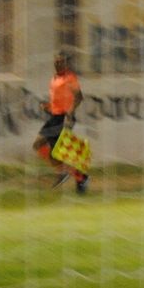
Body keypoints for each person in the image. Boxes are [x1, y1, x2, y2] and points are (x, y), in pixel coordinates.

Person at [32, 51, 89, 194]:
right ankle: (79, 176)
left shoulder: (70, 78)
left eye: (61, 62)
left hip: (64, 118)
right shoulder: (54, 79)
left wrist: (70, 112)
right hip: (54, 117)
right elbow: (57, 101)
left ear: (66, 63)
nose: (58, 64)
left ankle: (69, 173)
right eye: (56, 62)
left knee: (47, 147)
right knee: (48, 149)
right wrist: (48, 106)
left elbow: (79, 97)